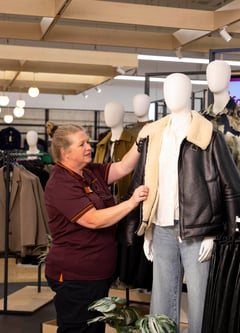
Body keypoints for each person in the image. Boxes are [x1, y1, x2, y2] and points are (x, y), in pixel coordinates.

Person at [133, 73, 240, 332]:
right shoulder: (155, 136)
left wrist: (214, 232)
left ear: (190, 93)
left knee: (200, 296)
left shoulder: (208, 136)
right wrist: (147, 228)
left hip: (197, 229)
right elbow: (145, 182)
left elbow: (229, 185)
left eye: (179, 89)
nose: (172, 94)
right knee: (162, 296)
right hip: (162, 225)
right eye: (167, 89)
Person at [44, 124, 149, 333]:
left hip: (96, 274)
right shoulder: (61, 183)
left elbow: (123, 168)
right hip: (76, 276)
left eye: (88, 142)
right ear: (64, 152)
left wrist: (141, 140)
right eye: (81, 144)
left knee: (94, 328)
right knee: (78, 329)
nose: (89, 147)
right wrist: (131, 203)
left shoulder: (89, 171)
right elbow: (92, 220)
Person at [201, 60, 240, 197]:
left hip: (234, 197)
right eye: (209, 74)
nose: (213, 78)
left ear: (228, 77)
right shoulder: (200, 119)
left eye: (219, 74)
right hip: (205, 199)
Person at [94, 102, 136, 202]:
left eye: (113, 112)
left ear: (122, 115)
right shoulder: (102, 145)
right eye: (106, 113)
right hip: (103, 202)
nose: (108, 116)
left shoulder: (133, 143)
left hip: (127, 201)